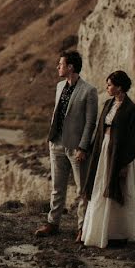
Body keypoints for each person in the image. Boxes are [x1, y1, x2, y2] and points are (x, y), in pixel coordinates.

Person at [35, 51, 98, 239]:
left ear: (70, 67)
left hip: (76, 147)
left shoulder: (89, 91)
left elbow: (90, 123)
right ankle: (52, 224)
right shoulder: (59, 86)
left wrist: (83, 147)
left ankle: (83, 228)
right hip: (56, 144)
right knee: (57, 187)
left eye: (60, 64)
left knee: (82, 190)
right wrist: (51, 139)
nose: (57, 67)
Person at [80, 70, 135, 248]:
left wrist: (125, 163)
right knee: (101, 185)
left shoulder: (130, 108)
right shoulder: (108, 104)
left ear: (119, 87)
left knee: (119, 188)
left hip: (120, 154)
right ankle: (100, 231)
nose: (107, 88)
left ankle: (119, 232)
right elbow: (100, 130)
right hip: (104, 150)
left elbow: (134, 136)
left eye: (110, 85)